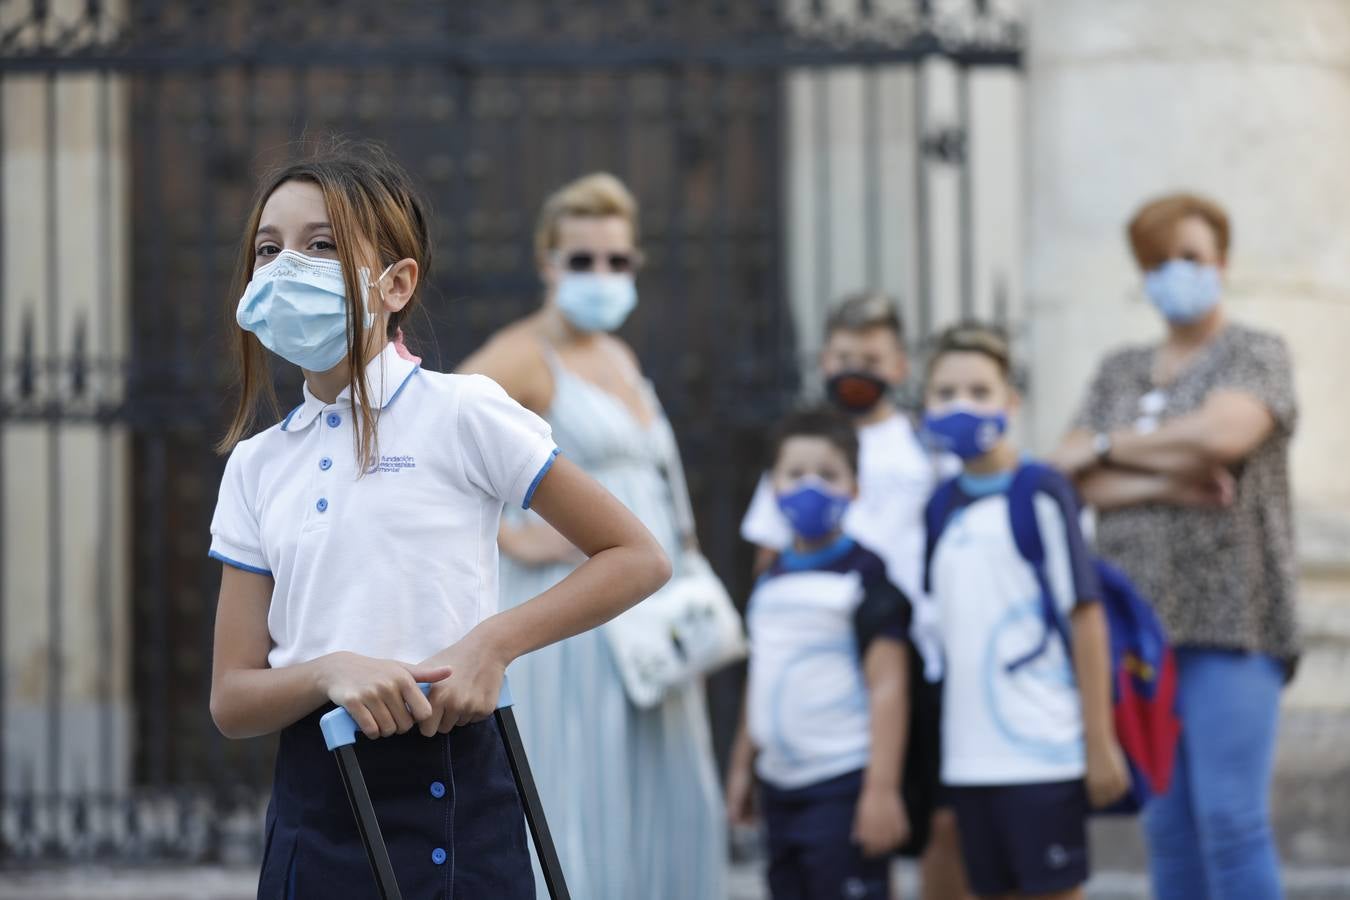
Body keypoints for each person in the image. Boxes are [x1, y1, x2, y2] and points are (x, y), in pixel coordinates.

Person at [206, 143, 672, 900]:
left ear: (396, 283)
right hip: (315, 799)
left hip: (456, 783)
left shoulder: (463, 411)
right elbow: (232, 698)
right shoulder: (256, 466)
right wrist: (330, 670)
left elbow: (636, 555)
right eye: (269, 248)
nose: (287, 266)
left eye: (320, 244)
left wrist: (493, 643)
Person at [456, 172, 727, 899]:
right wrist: (515, 540)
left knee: (664, 799)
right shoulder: (521, 355)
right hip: (572, 615)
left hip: (652, 622)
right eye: (582, 260)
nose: (601, 276)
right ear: (547, 263)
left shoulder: (619, 356)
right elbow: (437, 450)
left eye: (616, 261)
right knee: (582, 794)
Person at [1051, 192, 1298, 900]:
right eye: (1158, 261)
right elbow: (1068, 472)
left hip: (1232, 619)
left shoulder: (1254, 352)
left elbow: (1226, 437)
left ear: (1220, 261)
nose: (1175, 272)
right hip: (1138, 628)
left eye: (1189, 256)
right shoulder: (1120, 367)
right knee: (1166, 826)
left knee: (1231, 819)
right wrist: (1169, 473)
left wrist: (1111, 450)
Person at [738, 292, 969, 899]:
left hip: (915, 649)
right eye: (842, 355)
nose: (854, 369)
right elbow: (768, 555)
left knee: (936, 819)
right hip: (823, 659)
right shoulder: (805, 448)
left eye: (870, 356)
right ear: (823, 362)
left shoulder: (926, 448)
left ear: (898, 365)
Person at [923, 323, 1130, 900]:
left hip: (1044, 752)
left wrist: (1098, 740)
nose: (961, 406)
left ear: (1011, 403)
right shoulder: (939, 506)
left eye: (979, 392)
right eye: (944, 393)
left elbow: (1085, 615)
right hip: (969, 761)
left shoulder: (1041, 490)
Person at [726, 408, 913, 900]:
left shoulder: (867, 578)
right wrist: (743, 766)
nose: (811, 487)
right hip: (779, 789)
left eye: (828, 475)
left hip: (843, 786)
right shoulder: (770, 583)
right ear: (773, 488)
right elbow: (761, 677)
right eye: (796, 474)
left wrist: (881, 789)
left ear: (855, 487)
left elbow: (889, 687)